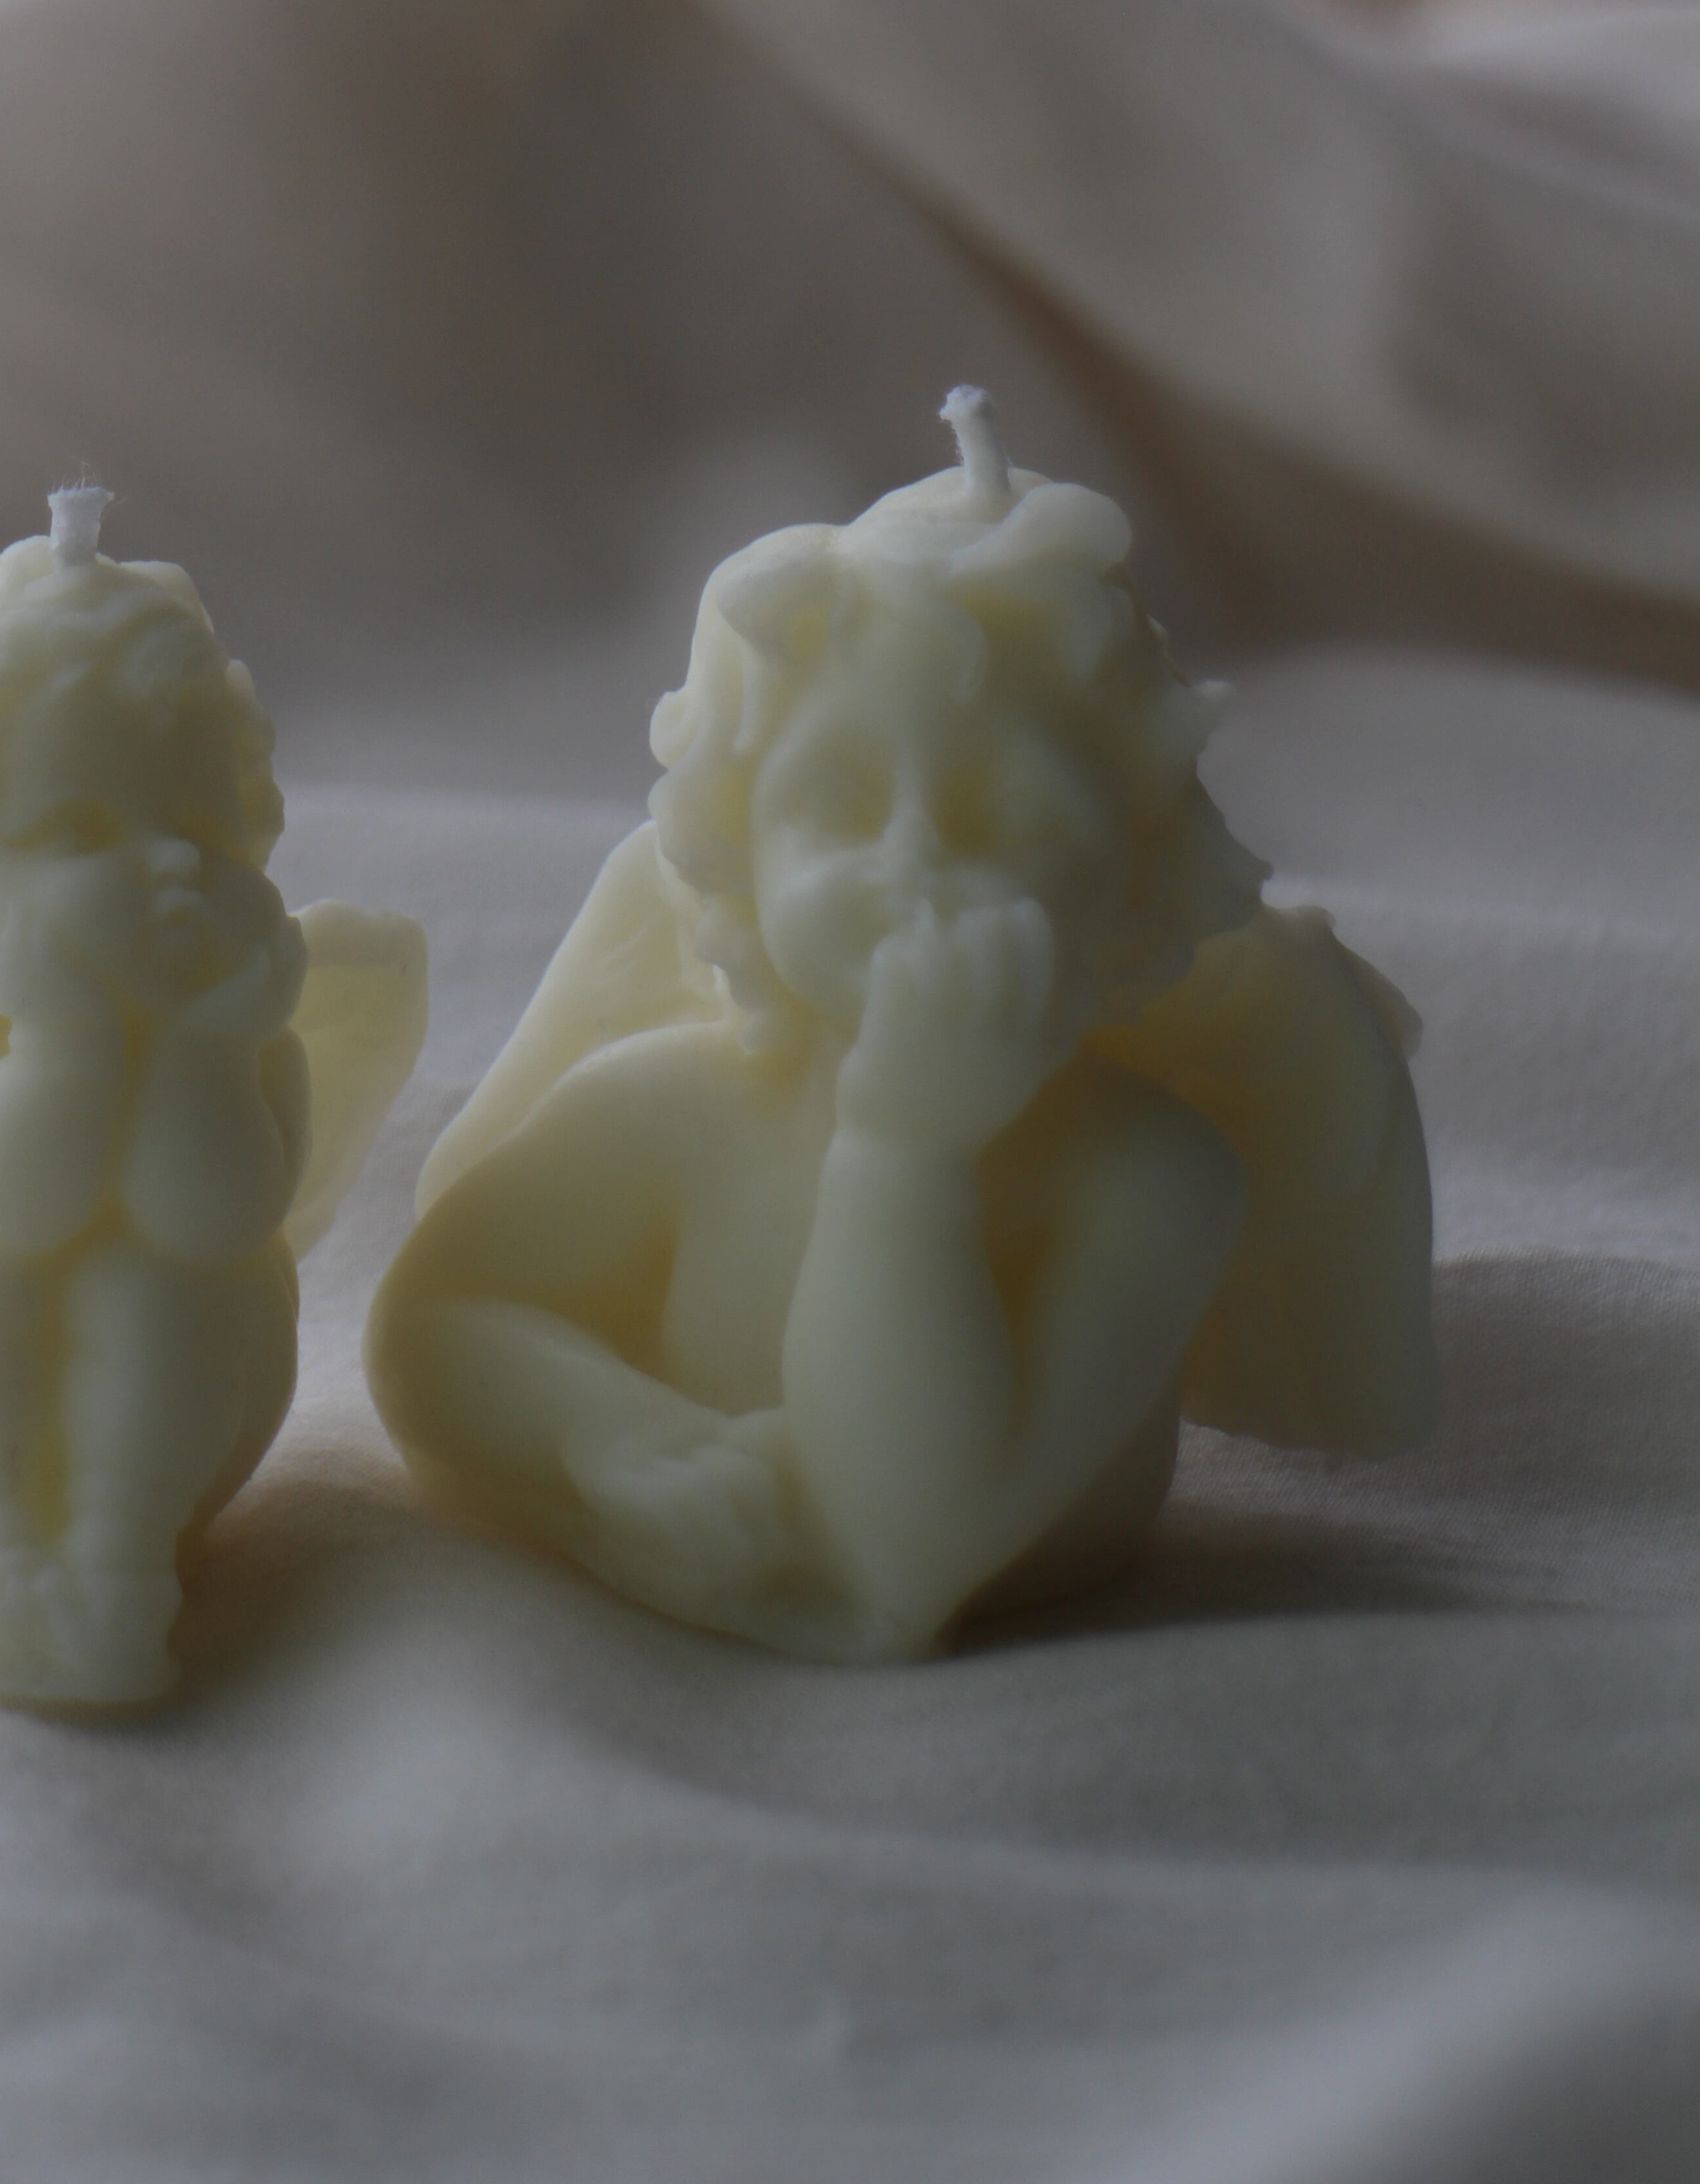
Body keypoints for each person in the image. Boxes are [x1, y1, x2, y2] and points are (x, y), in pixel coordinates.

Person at [366, 396, 1432, 1661]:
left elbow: (904, 1551)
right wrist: (611, 1435)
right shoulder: (671, 1105)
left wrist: (904, 1151)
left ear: (1136, 882)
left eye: (1013, 817)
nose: (913, 861)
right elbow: (434, 1326)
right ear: (738, 851)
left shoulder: (1150, 1181)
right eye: (839, 798)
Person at [0, 498, 423, 1704]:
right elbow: (12, 1199)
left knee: (181, 1284)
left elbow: (211, 1216)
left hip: (189, 1406)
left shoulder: (248, 1038)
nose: (163, 866)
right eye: (76, 832)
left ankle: (124, 1543)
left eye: (199, 830)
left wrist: (206, 1047)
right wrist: (63, 1039)